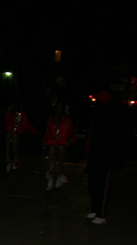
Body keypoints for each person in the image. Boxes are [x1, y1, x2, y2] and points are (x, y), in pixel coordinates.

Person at [85, 91, 126, 224]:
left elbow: (116, 141)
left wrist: (113, 159)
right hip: (96, 158)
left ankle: (101, 214)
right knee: (94, 185)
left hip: (107, 159)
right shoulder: (98, 118)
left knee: (104, 187)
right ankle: (95, 209)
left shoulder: (111, 118)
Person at [43, 102, 76, 190]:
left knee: (60, 162)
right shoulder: (52, 120)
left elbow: (71, 131)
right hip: (53, 141)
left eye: (60, 107)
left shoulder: (67, 120)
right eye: (57, 107)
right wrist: (45, 141)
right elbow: (48, 131)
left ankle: (59, 180)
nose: (58, 109)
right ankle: (50, 181)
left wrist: (71, 140)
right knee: (52, 161)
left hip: (63, 142)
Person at [3, 102, 37, 171]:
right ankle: (8, 161)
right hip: (10, 131)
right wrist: (9, 112)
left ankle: (16, 160)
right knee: (7, 146)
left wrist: (35, 132)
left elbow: (27, 125)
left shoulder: (23, 115)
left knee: (14, 147)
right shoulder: (11, 114)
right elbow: (7, 121)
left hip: (17, 132)